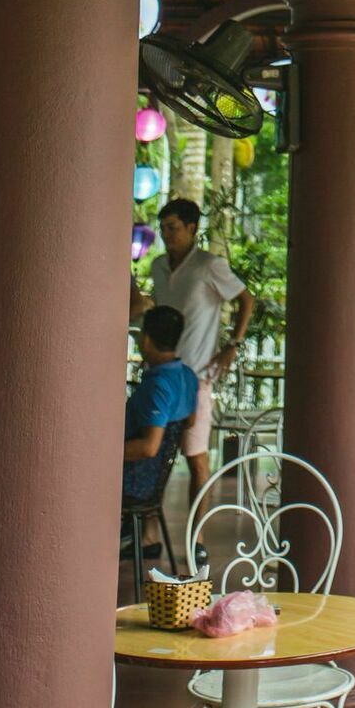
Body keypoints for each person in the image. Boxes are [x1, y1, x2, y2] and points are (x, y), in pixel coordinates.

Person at [130, 197, 255, 508]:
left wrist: (233, 345)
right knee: (153, 456)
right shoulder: (159, 266)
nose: (167, 235)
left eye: (173, 228)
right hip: (161, 370)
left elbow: (246, 300)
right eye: (163, 229)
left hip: (197, 374)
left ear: (192, 228)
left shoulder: (209, 266)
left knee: (195, 457)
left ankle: (197, 539)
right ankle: (149, 532)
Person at [123, 305, 198, 503]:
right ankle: (148, 529)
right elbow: (190, 420)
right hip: (154, 481)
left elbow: (149, 447)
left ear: (146, 340)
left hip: (133, 482)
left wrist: (103, 453)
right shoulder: (188, 376)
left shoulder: (158, 385)